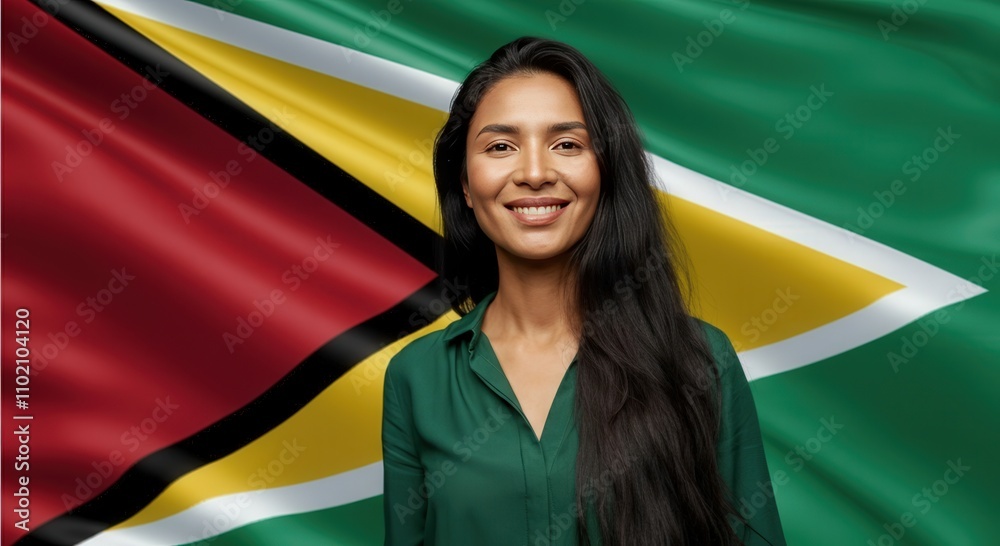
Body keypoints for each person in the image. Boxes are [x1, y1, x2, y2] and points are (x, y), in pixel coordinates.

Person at [382, 36, 787, 546]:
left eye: (567, 144)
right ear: (465, 183)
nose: (534, 173)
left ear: (606, 170)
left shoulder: (699, 360)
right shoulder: (416, 378)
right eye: (500, 146)